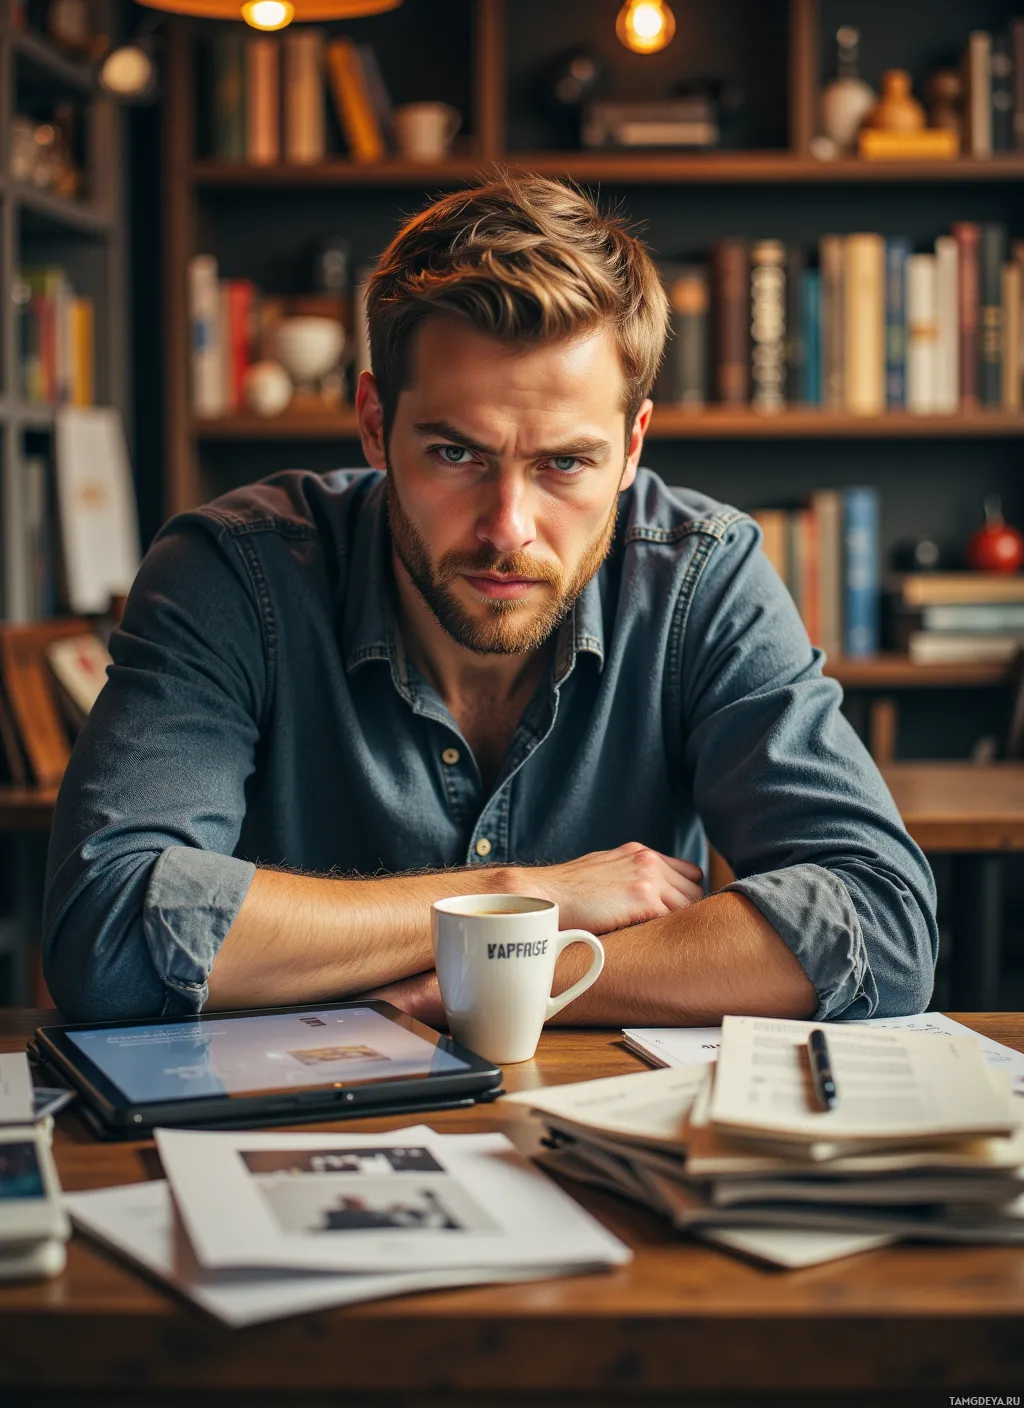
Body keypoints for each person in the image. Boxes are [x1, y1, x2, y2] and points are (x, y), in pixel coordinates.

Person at [42, 171, 937, 1026]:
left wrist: (494, 980)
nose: (508, 527)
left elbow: (880, 925)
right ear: (373, 425)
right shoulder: (234, 572)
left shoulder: (702, 574)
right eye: (456, 454)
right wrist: (525, 893)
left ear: (632, 449)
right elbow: (110, 928)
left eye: (566, 464)